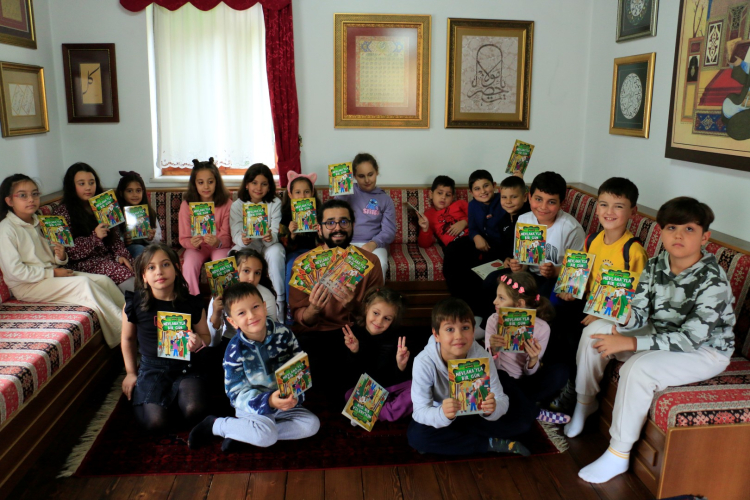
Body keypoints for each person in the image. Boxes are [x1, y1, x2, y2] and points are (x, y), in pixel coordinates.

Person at [564, 197, 736, 484]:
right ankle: (585, 402)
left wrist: (629, 344)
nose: (678, 235)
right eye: (671, 228)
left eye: (689, 229)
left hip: (704, 351)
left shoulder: (713, 281)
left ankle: (618, 453)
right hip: (659, 331)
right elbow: (641, 313)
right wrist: (620, 316)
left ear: (705, 237)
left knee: (638, 368)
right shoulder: (656, 263)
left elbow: (690, 338)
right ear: (661, 232)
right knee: (597, 330)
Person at [551, 177, 649, 413]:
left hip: (614, 312)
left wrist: (603, 314)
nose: (609, 212)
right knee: (553, 317)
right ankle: (556, 377)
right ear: (596, 208)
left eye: (618, 206)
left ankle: (575, 388)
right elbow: (583, 275)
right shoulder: (592, 239)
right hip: (588, 303)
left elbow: (637, 298)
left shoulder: (633, 251)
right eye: (604, 204)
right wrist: (572, 289)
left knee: (576, 334)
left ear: (633, 212)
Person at [188, 282, 320, 452]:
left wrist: (295, 395)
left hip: (284, 400)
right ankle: (217, 425)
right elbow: (236, 394)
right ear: (232, 321)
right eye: (242, 313)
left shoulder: (284, 333)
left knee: (311, 425)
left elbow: (299, 365)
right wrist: (269, 401)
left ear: (264, 307)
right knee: (266, 436)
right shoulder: (234, 350)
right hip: (253, 406)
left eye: (255, 307)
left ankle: (246, 434)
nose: (251, 316)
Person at [0, 174, 124, 348]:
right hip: (27, 286)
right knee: (83, 284)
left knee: (103, 280)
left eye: (35, 194)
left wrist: (60, 256)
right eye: (22, 195)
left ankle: (135, 320)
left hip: (50, 275)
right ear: (9, 201)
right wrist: (52, 272)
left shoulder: (40, 221)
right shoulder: (6, 229)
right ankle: (126, 334)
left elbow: (54, 258)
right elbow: (15, 272)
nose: (31, 199)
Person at [407, 297, 534, 456]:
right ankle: (488, 443)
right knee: (416, 437)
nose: (459, 336)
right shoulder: (423, 362)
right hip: (444, 413)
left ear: (473, 331)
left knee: (523, 423)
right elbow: (420, 411)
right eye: (450, 329)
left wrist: (491, 410)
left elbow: (501, 399)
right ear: (436, 334)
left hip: (475, 414)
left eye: (465, 328)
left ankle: (454, 441)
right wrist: (443, 414)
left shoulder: (482, 356)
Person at [288, 199, 384, 396]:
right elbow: (301, 319)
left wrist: (353, 304)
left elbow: (376, 315)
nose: (337, 228)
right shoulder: (303, 263)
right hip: (317, 333)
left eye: (343, 222)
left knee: (375, 364)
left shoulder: (370, 261)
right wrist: (313, 309)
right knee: (309, 379)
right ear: (319, 229)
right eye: (330, 223)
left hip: (354, 331)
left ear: (352, 225)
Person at [121, 244, 212, 431]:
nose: (159, 272)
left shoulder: (191, 303)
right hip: (152, 368)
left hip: (187, 366)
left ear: (176, 270)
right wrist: (130, 373)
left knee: (194, 410)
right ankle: (162, 403)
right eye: (151, 267)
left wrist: (198, 341)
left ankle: (177, 400)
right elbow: (128, 339)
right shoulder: (134, 303)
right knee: (155, 423)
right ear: (144, 276)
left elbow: (206, 336)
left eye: (165, 264)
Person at [485, 272, 570, 424]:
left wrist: (533, 359)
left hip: (523, 383)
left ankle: (518, 404)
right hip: (500, 382)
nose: (494, 301)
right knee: (501, 379)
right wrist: (494, 350)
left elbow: (530, 373)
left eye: (501, 298)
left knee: (561, 372)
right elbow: (490, 368)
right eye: (497, 296)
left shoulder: (542, 328)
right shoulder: (493, 320)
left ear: (519, 304)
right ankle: (534, 411)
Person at [54, 163, 135, 292]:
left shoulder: (103, 204)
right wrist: (94, 237)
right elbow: (68, 252)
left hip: (106, 257)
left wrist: (120, 255)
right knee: (119, 271)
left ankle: (151, 301)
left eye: (91, 183)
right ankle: (136, 303)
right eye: (82, 183)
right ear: (71, 186)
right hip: (81, 264)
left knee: (134, 265)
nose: (88, 187)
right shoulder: (62, 212)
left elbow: (115, 239)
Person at [508, 171, 585, 298]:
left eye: (551, 202)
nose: (543, 207)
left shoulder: (572, 229)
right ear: (529, 197)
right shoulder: (523, 220)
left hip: (557, 279)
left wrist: (554, 271)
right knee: (493, 280)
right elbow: (524, 262)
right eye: (538, 199)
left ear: (562, 203)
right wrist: (520, 266)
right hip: (531, 276)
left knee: (540, 297)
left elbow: (577, 272)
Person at [342, 287, 412, 421]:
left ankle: (371, 412)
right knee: (349, 394)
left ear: (393, 320)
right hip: (364, 392)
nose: (379, 321)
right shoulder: (353, 334)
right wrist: (355, 352)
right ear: (366, 308)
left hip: (388, 388)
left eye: (387, 318)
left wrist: (400, 366)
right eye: (375, 313)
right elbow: (347, 376)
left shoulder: (398, 339)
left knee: (418, 388)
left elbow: (398, 379)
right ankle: (385, 411)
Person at [230, 163, 285, 316]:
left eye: (264, 184)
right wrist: (243, 240)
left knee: (277, 252)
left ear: (269, 186)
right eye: (254, 183)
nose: (258, 188)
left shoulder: (275, 203)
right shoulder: (237, 205)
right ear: (247, 184)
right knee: (233, 255)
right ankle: (234, 301)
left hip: (269, 245)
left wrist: (270, 237)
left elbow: (276, 231)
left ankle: (280, 301)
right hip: (247, 246)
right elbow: (235, 233)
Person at [417, 176, 479, 310]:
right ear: (431, 194)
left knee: (470, 267)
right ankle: (461, 307)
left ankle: (472, 308)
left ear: (453, 197)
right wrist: (425, 229)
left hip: (470, 239)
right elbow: (424, 244)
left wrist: (464, 222)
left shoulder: (460, 204)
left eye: (448, 195)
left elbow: (477, 217)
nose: (443, 197)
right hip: (452, 246)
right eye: (440, 193)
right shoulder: (428, 215)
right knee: (450, 269)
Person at [178, 158, 233, 295]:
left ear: (217, 182)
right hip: (197, 247)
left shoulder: (227, 204)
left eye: (210, 182)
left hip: (219, 246)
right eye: (201, 182)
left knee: (222, 263)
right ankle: (191, 300)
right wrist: (191, 243)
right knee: (189, 263)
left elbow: (227, 237)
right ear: (194, 184)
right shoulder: (186, 205)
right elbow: (183, 238)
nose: (206, 187)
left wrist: (218, 242)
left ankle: (225, 302)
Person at [340, 153, 396, 280]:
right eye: (361, 176)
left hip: (375, 245)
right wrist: (341, 190)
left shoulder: (385, 199)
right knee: (344, 270)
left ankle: (376, 294)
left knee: (379, 265)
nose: (367, 180)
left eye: (370, 174)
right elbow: (335, 213)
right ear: (354, 176)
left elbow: (389, 231)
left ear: (377, 172)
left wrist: (373, 244)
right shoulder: (347, 193)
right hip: (348, 242)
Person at [208, 247, 278, 348]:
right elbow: (212, 343)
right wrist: (216, 314)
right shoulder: (219, 297)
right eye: (246, 271)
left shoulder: (267, 296)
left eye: (257, 273)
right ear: (234, 271)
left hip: (260, 342)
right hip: (230, 341)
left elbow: (272, 332)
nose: (251, 278)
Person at [280, 171, 320, 321]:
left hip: (315, 251)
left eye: (306, 192)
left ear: (312, 193)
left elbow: (327, 242)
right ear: (290, 195)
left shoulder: (320, 212)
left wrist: (320, 232)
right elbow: (283, 246)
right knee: (292, 265)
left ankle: (316, 309)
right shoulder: (285, 214)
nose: (302, 196)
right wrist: (291, 235)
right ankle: (290, 308)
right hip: (295, 253)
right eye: (298, 192)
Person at [115, 170, 162, 259]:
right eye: (129, 191)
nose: (135, 195)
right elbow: (113, 240)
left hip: (149, 247)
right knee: (139, 249)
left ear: (143, 192)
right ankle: (142, 266)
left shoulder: (149, 212)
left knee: (161, 251)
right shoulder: (117, 214)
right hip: (129, 249)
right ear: (121, 193)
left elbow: (158, 238)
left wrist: (151, 238)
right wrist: (124, 240)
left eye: (138, 191)